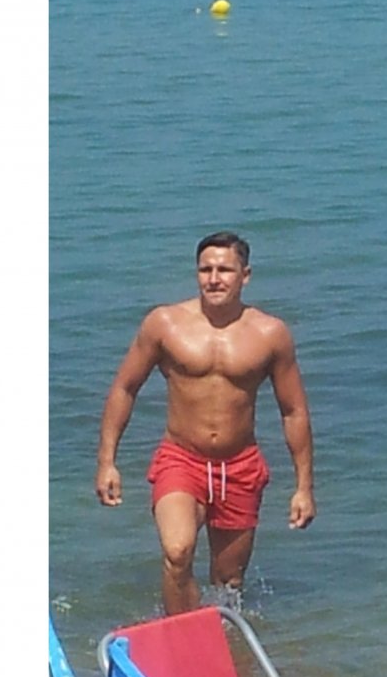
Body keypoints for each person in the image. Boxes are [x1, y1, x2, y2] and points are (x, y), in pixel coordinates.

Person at [95, 231, 316, 614]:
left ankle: (223, 636)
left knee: (228, 581)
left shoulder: (270, 334)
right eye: (205, 269)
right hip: (182, 459)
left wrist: (304, 487)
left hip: (240, 466)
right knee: (177, 551)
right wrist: (107, 461)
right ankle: (180, 633)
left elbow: (293, 410)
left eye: (224, 270)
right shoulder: (165, 324)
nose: (214, 279)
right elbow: (125, 388)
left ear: (245, 275)